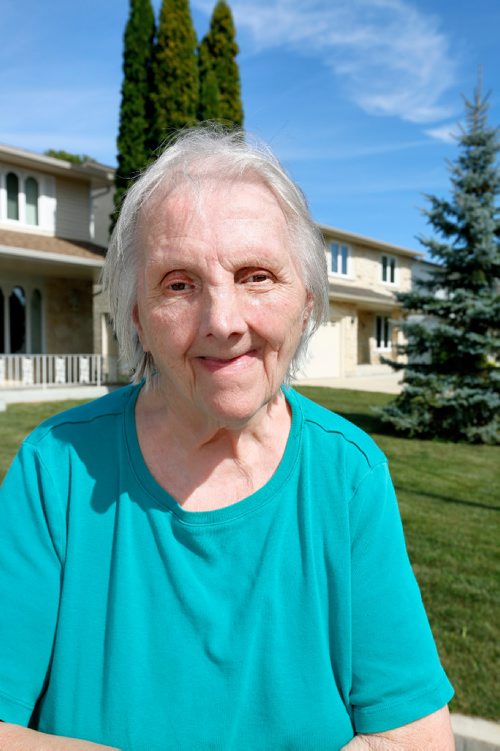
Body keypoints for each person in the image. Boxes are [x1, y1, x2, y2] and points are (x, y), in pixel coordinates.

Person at [0, 127, 454, 750]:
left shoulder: (349, 476)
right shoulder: (55, 470)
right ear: (136, 315)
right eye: (179, 284)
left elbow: (410, 738)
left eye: (257, 275)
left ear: (308, 303)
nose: (223, 322)